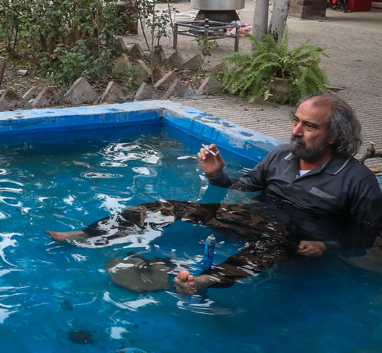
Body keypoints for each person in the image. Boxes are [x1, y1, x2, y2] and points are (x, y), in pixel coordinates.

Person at [49, 93, 382, 295]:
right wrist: (218, 176)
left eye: (309, 126)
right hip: (254, 217)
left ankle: (204, 281)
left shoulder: (358, 180)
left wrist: (327, 245)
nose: (296, 131)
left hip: (297, 237)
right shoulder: (282, 155)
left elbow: (365, 238)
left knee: (267, 247)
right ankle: (91, 233)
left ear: (334, 136)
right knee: (169, 207)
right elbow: (247, 187)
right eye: (296, 121)